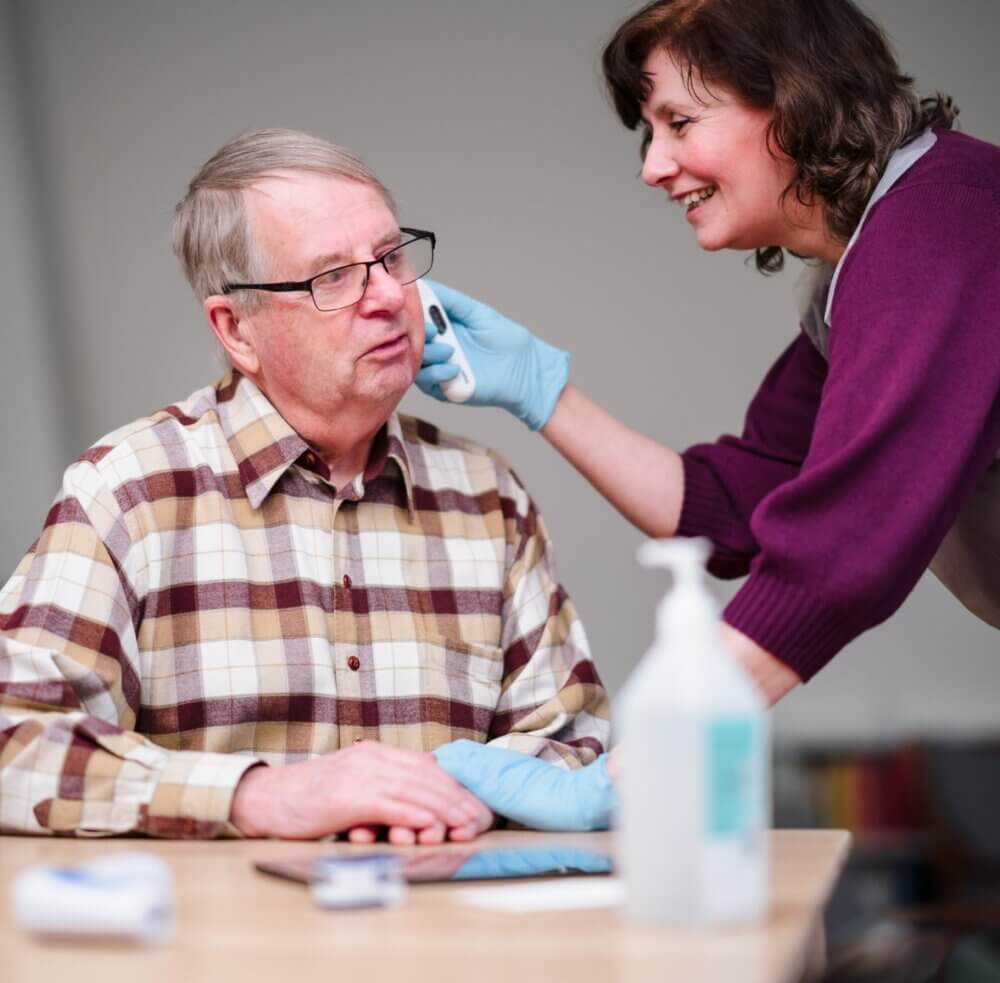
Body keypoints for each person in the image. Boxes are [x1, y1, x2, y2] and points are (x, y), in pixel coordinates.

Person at [421, 0, 1000, 823]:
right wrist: (542, 393)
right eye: (648, 133)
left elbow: (846, 547)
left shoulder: (943, 225)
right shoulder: (862, 271)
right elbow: (737, 508)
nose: (655, 165)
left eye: (679, 122)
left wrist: (636, 773)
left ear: (795, 101)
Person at [0, 128, 609, 842]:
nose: (386, 296)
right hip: (222, 949)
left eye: (390, 257)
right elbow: (17, 743)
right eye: (333, 277)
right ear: (236, 329)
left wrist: (455, 798)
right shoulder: (128, 492)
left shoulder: (486, 496)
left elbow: (572, 741)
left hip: (444, 941)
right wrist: (260, 796)